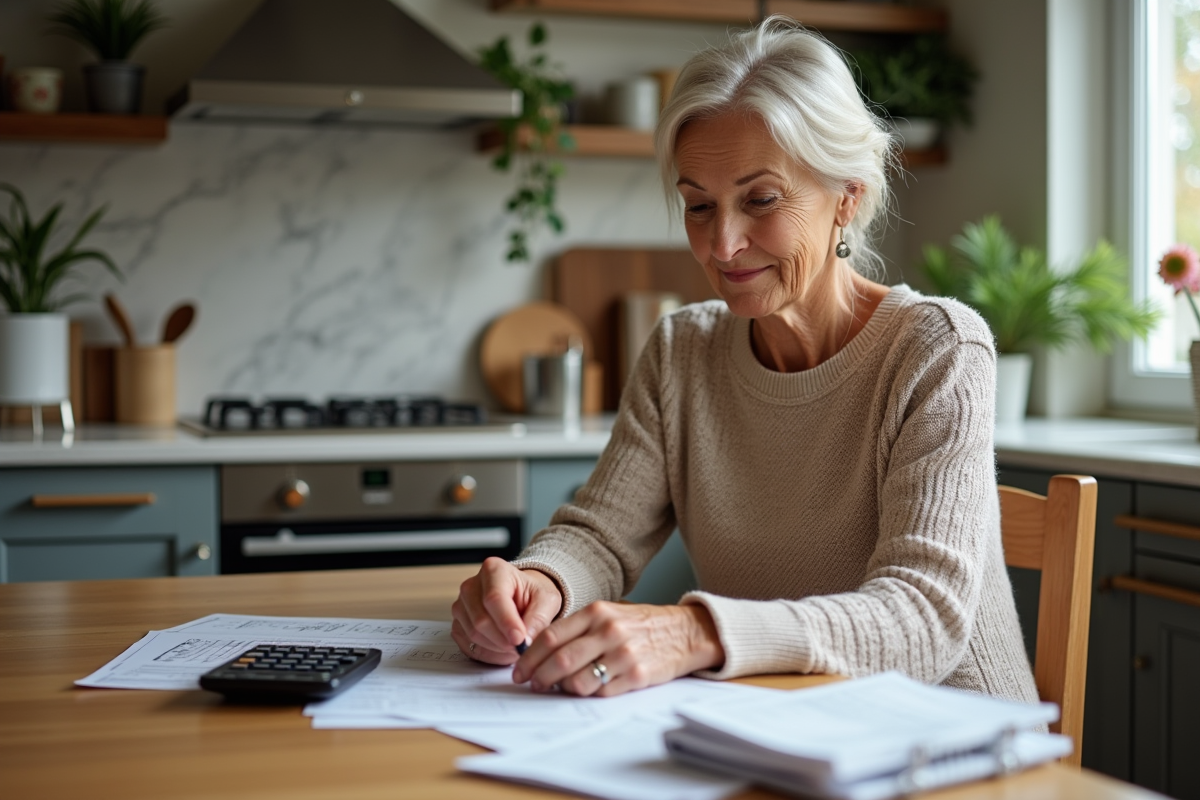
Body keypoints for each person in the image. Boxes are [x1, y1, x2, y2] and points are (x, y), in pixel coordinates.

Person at [451, 17, 1039, 707]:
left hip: (951, 735)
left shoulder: (937, 350)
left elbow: (924, 620)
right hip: (777, 725)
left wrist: (697, 630)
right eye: (699, 205)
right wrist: (537, 586)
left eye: (760, 200)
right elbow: (602, 538)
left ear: (847, 196)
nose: (722, 244)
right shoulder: (681, 351)